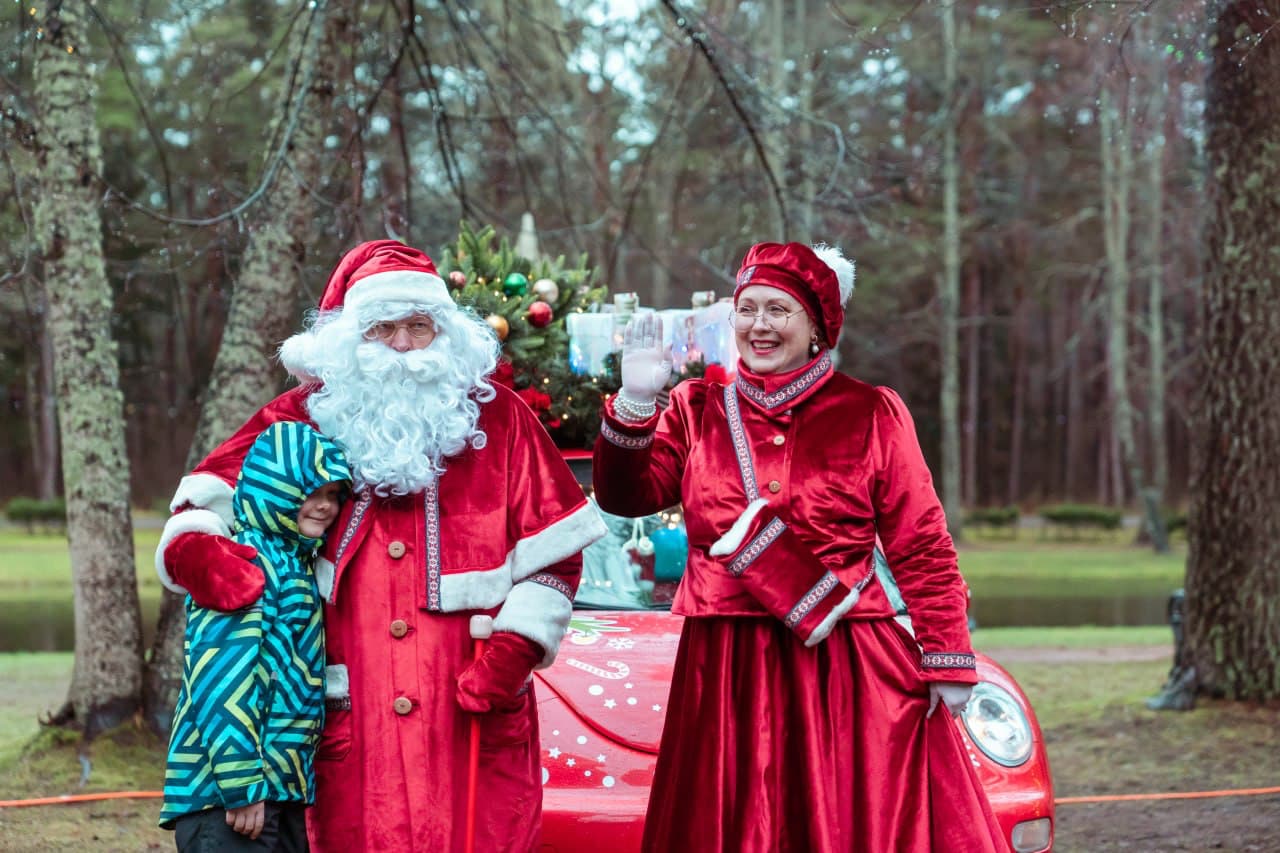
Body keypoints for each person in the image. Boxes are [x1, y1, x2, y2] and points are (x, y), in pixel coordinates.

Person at [154, 240, 606, 852]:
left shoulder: (501, 422)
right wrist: (207, 559)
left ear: (446, 336)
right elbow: (196, 512)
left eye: (419, 328)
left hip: (467, 717)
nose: (401, 346)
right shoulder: (298, 423)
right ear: (348, 341)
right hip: (349, 720)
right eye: (382, 328)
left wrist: (516, 646)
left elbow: (557, 554)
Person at [592, 241, 1008, 852]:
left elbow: (921, 544)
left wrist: (947, 653)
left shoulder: (871, 412)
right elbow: (627, 498)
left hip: (844, 667)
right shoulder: (696, 408)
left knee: (842, 824)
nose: (759, 325)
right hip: (725, 666)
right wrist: (633, 404)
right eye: (748, 309)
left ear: (817, 326)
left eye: (779, 311)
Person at [160, 420, 351, 852]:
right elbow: (222, 681)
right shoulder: (245, 564)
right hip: (229, 797)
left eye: (333, 495)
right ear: (275, 487)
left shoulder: (295, 565)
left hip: (278, 790)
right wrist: (242, 783)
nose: (324, 506)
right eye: (311, 492)